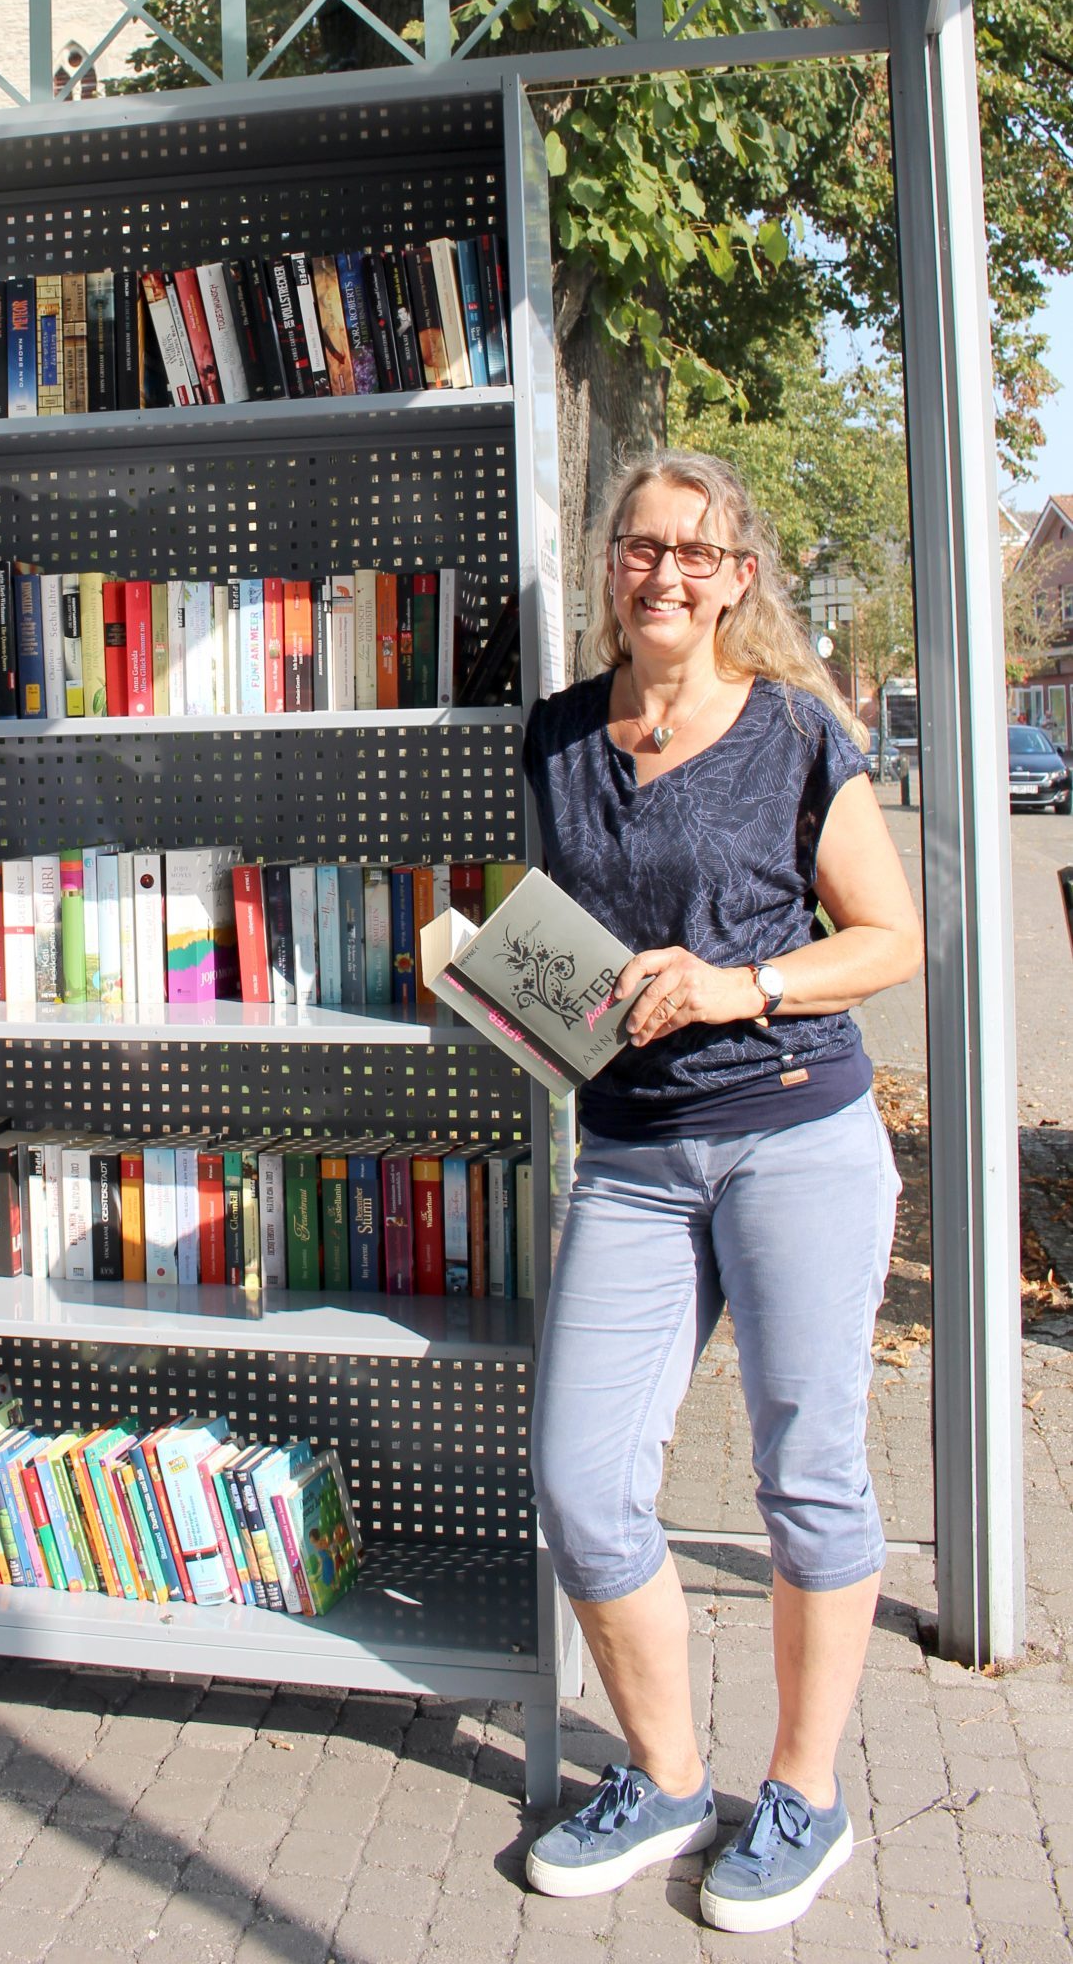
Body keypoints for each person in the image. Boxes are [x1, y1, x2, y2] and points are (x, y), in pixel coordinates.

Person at [519, 451, 923, 1936]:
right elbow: (573, 937)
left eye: (698, 552)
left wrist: (737, 984)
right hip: (630, 1148)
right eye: (642, 548)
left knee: (807, 1473)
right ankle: (669, 1775)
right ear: (610, 567)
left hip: (794, 1133)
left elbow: (886, 940)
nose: (667, 573)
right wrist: (520, 996)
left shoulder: (798, 736)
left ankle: (805, 1799)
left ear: (739, 578)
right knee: (580, 1477)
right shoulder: (559, 736)